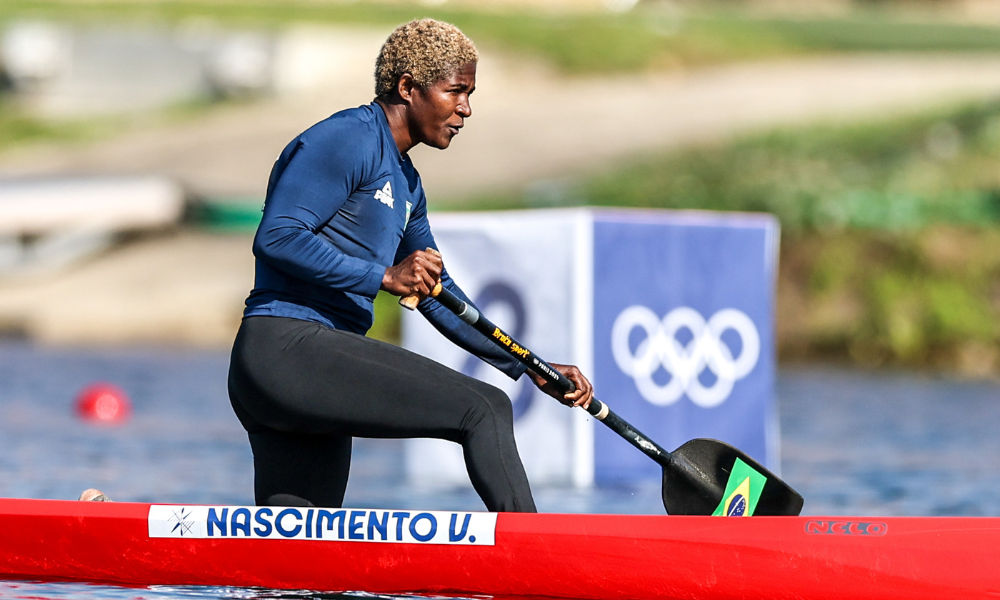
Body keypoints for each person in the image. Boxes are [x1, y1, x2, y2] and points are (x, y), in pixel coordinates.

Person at [227, 18, 593, 513]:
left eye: (470, 94)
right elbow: (277, 236)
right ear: (407, 87)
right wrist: (382, 277)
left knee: (300, 557)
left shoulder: (407, 183)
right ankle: (541, 565)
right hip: (286, 350)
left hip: (305, 370)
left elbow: (439, 295)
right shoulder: (347, 138)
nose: (465, 109)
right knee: (484, 408)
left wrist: (528, 365)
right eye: (455, 91)